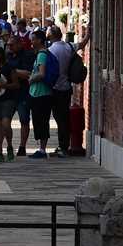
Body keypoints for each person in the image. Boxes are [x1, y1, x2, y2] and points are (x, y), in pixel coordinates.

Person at [5, 33, 35, 156]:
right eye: (8, 45)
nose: (9, 47)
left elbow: (29, 73)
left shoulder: (28, 55)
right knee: (5, 120)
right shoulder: (8, 56)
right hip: (9, 92)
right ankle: (7, 145)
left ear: (19, 44)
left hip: (23, 92)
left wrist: (13, 72)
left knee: (24, 120)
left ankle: (22, 146)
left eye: (11, 45)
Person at [47, 26, 75, 156]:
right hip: (67, 87)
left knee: (59, 118)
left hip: (55, 88)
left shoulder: (50, 50)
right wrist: (87, 34)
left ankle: (63, 147)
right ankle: (63, 145)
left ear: (51, 36)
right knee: (64, 116)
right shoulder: (69, 47)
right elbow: (82, 43)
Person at [26, 30, 54, 158]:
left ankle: (42, 149)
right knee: (39, 121)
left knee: (42, 121)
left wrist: (31, 78)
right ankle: (41, 148)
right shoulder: (41, 54)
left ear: (39, 40)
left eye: (33, 39)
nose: (31, 42)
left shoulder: (42, 54)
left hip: (41, 94)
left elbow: (42, 74)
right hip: (37, 93)